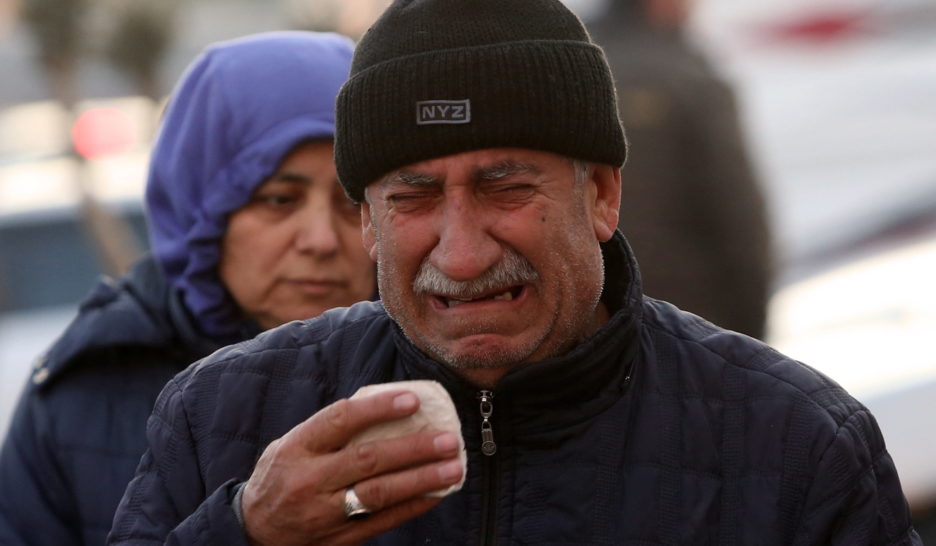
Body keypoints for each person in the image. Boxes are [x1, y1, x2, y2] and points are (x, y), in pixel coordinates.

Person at [109, 1, 922, 544]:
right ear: (366, 220)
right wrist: (246, 532)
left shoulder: (794, 445)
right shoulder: (220, 419)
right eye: (414, 196)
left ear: (601, 195)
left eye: (506, 186)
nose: (461, 253)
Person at [0, 31, 375, 546]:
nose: (320, 240)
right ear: (200, 210)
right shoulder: (84, 394)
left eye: (352, 202)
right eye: (278, 200)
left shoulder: (455, 367)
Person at [588, 0, 772, 339]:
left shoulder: (573, 63)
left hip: (593, 330)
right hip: (693, 327)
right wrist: (753, 335)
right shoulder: (688, 76)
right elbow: (739, 217)